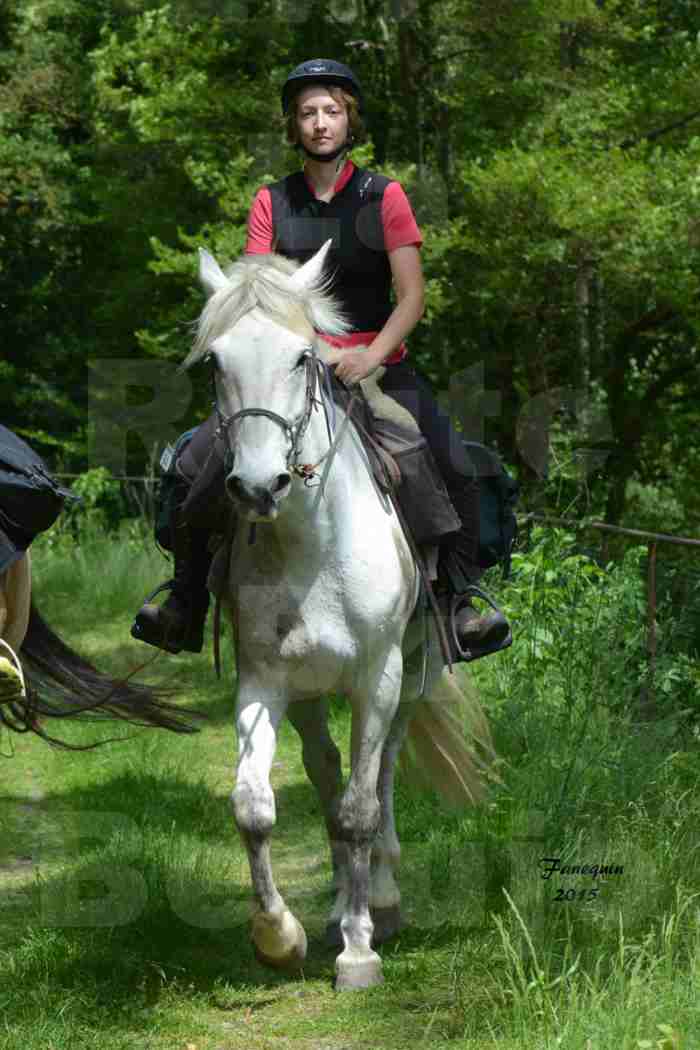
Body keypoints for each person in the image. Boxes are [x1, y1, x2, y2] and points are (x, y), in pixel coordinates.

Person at [132, 58, 510, 659]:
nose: (319, 122)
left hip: (378, 364)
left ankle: (457, 604)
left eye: (331, 110)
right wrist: (312, 349)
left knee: (455, 464)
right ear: (294, 125)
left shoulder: (384, 196)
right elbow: (258, 293)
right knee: (192, 464)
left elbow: (412, 296)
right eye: (308, 112)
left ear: (348, 119)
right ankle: (185, 598)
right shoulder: (271, 201)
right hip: (291, 364)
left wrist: (369, 357)